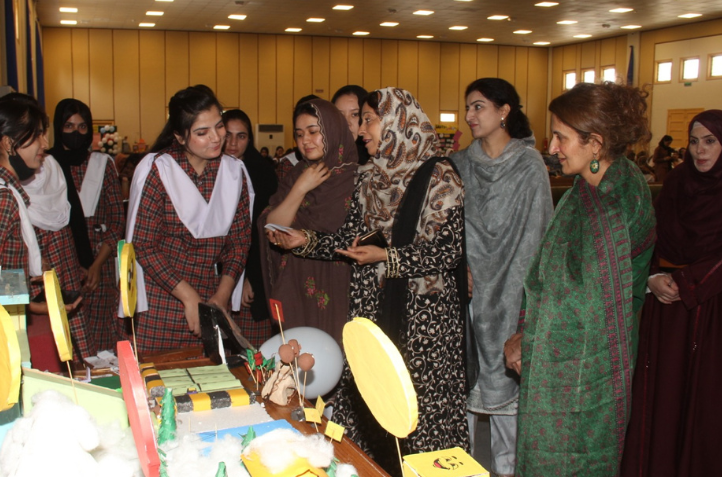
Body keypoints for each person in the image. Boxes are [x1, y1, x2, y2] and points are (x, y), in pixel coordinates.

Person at [271, 88, 469, 471]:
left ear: (398, 122)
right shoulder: (368, 178)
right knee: (370, 403)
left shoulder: (440, 176)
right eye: (361, 120)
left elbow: (448, 251)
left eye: (368, 120)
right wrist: (304, 241)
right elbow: (349, 240)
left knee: (417, 409)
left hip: (421, 321)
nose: (361, 131)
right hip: (370, 313)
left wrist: (387, 257)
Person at [508, 82, 655, 475]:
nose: (553, 148)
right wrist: (525, 332)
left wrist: (531, 339)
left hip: (588, 370)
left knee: (575, 459)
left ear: (595, 143)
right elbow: (547, 275)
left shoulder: (614, 202)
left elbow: (589, 305)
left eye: (561, 137)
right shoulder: (584, 191)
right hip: (559, 354)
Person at [449, 78, 552, 477]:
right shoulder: (458, 165)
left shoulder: (529, 164)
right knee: (464, 383)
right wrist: (458, 265)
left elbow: (540, 233)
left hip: (513, 291)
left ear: (504, 110)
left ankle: (508, 470)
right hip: (468, 291)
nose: (469, 115)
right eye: (468, 107)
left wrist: (526, 295)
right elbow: (445, 229)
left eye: (478, 106)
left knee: (509, 389)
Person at [621, 110, 722, 477]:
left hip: (711, 309)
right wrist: (651, 277)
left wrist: (689, 282)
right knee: (665, 396)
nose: (700, 150)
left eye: (710, 141)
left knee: (704, 399)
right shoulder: (677, 183)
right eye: (694, 142)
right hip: (666, 305)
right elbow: (649, 237)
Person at [126, 85, 253, 353]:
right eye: (202, 133)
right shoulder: (158, 169)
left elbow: (239, 243)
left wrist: (221, 296)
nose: (216, 138)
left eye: (219, 126)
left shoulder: (234, 172)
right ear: (180, 137)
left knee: (211, 375)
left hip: (212, 296)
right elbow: (144, 246)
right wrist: (189, 297)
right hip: (162, 297)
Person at [0, 95, 80, 344]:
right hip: (0, 331)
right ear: (8, 143)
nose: (45, 144)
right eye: (36, 135)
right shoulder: (2, 197)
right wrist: (34, 306)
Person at [259, 99, 359, 347]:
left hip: (340, 283)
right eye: (299, 134)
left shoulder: (357, 178)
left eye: (314, 131)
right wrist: (301, 188)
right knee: (296, 354)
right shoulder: (297, 174)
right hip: (296, 281)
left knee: (337, 351)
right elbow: (272, 226)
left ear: (332, 130)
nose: (305, 141)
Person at [44, 99, 127, 355]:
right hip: (61, 265)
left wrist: (96, 266)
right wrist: (73, 264)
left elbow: (117, 221)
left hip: (100, 266)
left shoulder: (102, 164)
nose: (76, 132)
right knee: (68, 342)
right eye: (69, 126)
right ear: (58, 127)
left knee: (102, 343)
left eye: (82, 127)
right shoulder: (46, 164)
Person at [223, 109, 280, 346]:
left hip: (249, 272)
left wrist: (250, 278)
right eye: (227, 135)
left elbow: (262, 232)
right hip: (214, 273)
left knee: (249, 350)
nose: (233, 143)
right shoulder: (208, 168)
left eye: (241, 136)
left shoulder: (261, 172)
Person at [331, 85, 372, 166]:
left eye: (355, 114)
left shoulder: (378, 161)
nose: (346, 123)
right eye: (340, 115)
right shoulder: (322, 157)